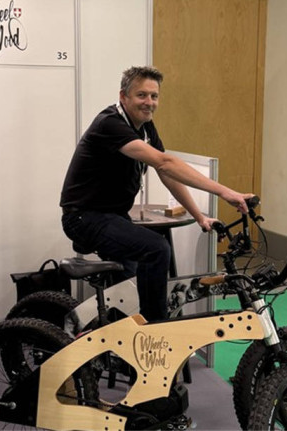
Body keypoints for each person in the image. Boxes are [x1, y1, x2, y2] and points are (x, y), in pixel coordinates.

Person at [60, 66, 253, 321]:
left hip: (113, 217)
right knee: (156, 249)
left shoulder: (146, 127)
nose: (149, 102)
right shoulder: (110, 123)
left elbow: (167, 175)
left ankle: (121, 337)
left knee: (128, 289)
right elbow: (165, 163)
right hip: (84, 218)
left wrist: (200, 217)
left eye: (154, 96)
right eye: (141, 95)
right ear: (123, 96)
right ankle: (156, 328)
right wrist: (225, 192)